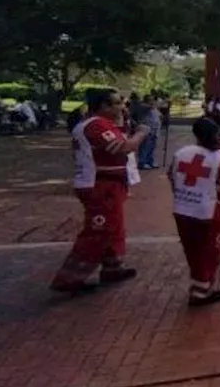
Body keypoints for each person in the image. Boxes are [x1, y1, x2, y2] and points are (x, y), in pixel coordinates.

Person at [50, 88, 151, 292]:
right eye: (116, 104)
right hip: (100, 184)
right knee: (99, 230)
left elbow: (118, 139)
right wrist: (141, 133)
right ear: (104, 106)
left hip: (109, 183)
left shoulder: (102, 124)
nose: (121, 107)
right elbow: (122, 148)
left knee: (114, 226)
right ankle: (70, 278)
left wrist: (123, 124)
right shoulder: (96, 125)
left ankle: (112, 266)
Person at [168, 118, 220, 306]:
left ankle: (199, 284)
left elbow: (172, 177)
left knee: (193, 249)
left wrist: (187, 192)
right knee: (211, 251)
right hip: (210, 211)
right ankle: (202, 290)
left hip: (182, 208)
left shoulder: (181, 153)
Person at [136, 94, 161, 169]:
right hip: (147, 129)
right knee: (145, 147)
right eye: (150, 100)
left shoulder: (154, 108)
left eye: (153, 99)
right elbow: (148, 107)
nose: (152, 101)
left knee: (152, 147)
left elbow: (158, 115)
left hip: (155, 130)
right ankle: (142, 162)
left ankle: (150, 161)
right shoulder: (143, 106)